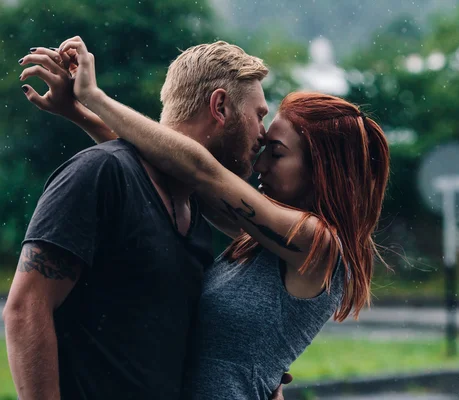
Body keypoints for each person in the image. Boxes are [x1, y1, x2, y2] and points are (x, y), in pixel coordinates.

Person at [33, 36, 391, 399]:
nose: (260, 164)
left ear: (321, 171)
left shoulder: (316, 243)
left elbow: (201, 170)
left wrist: (94, 96)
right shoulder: (259, 236)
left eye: (276, 154)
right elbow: (174, 167)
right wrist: (78, 112)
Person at [6, 40, 291, 399]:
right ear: (220, 107)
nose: (263, 134)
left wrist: (259, 364)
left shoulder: (197, 211)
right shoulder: (102, 173)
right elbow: (26, 308)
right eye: (259, 115)